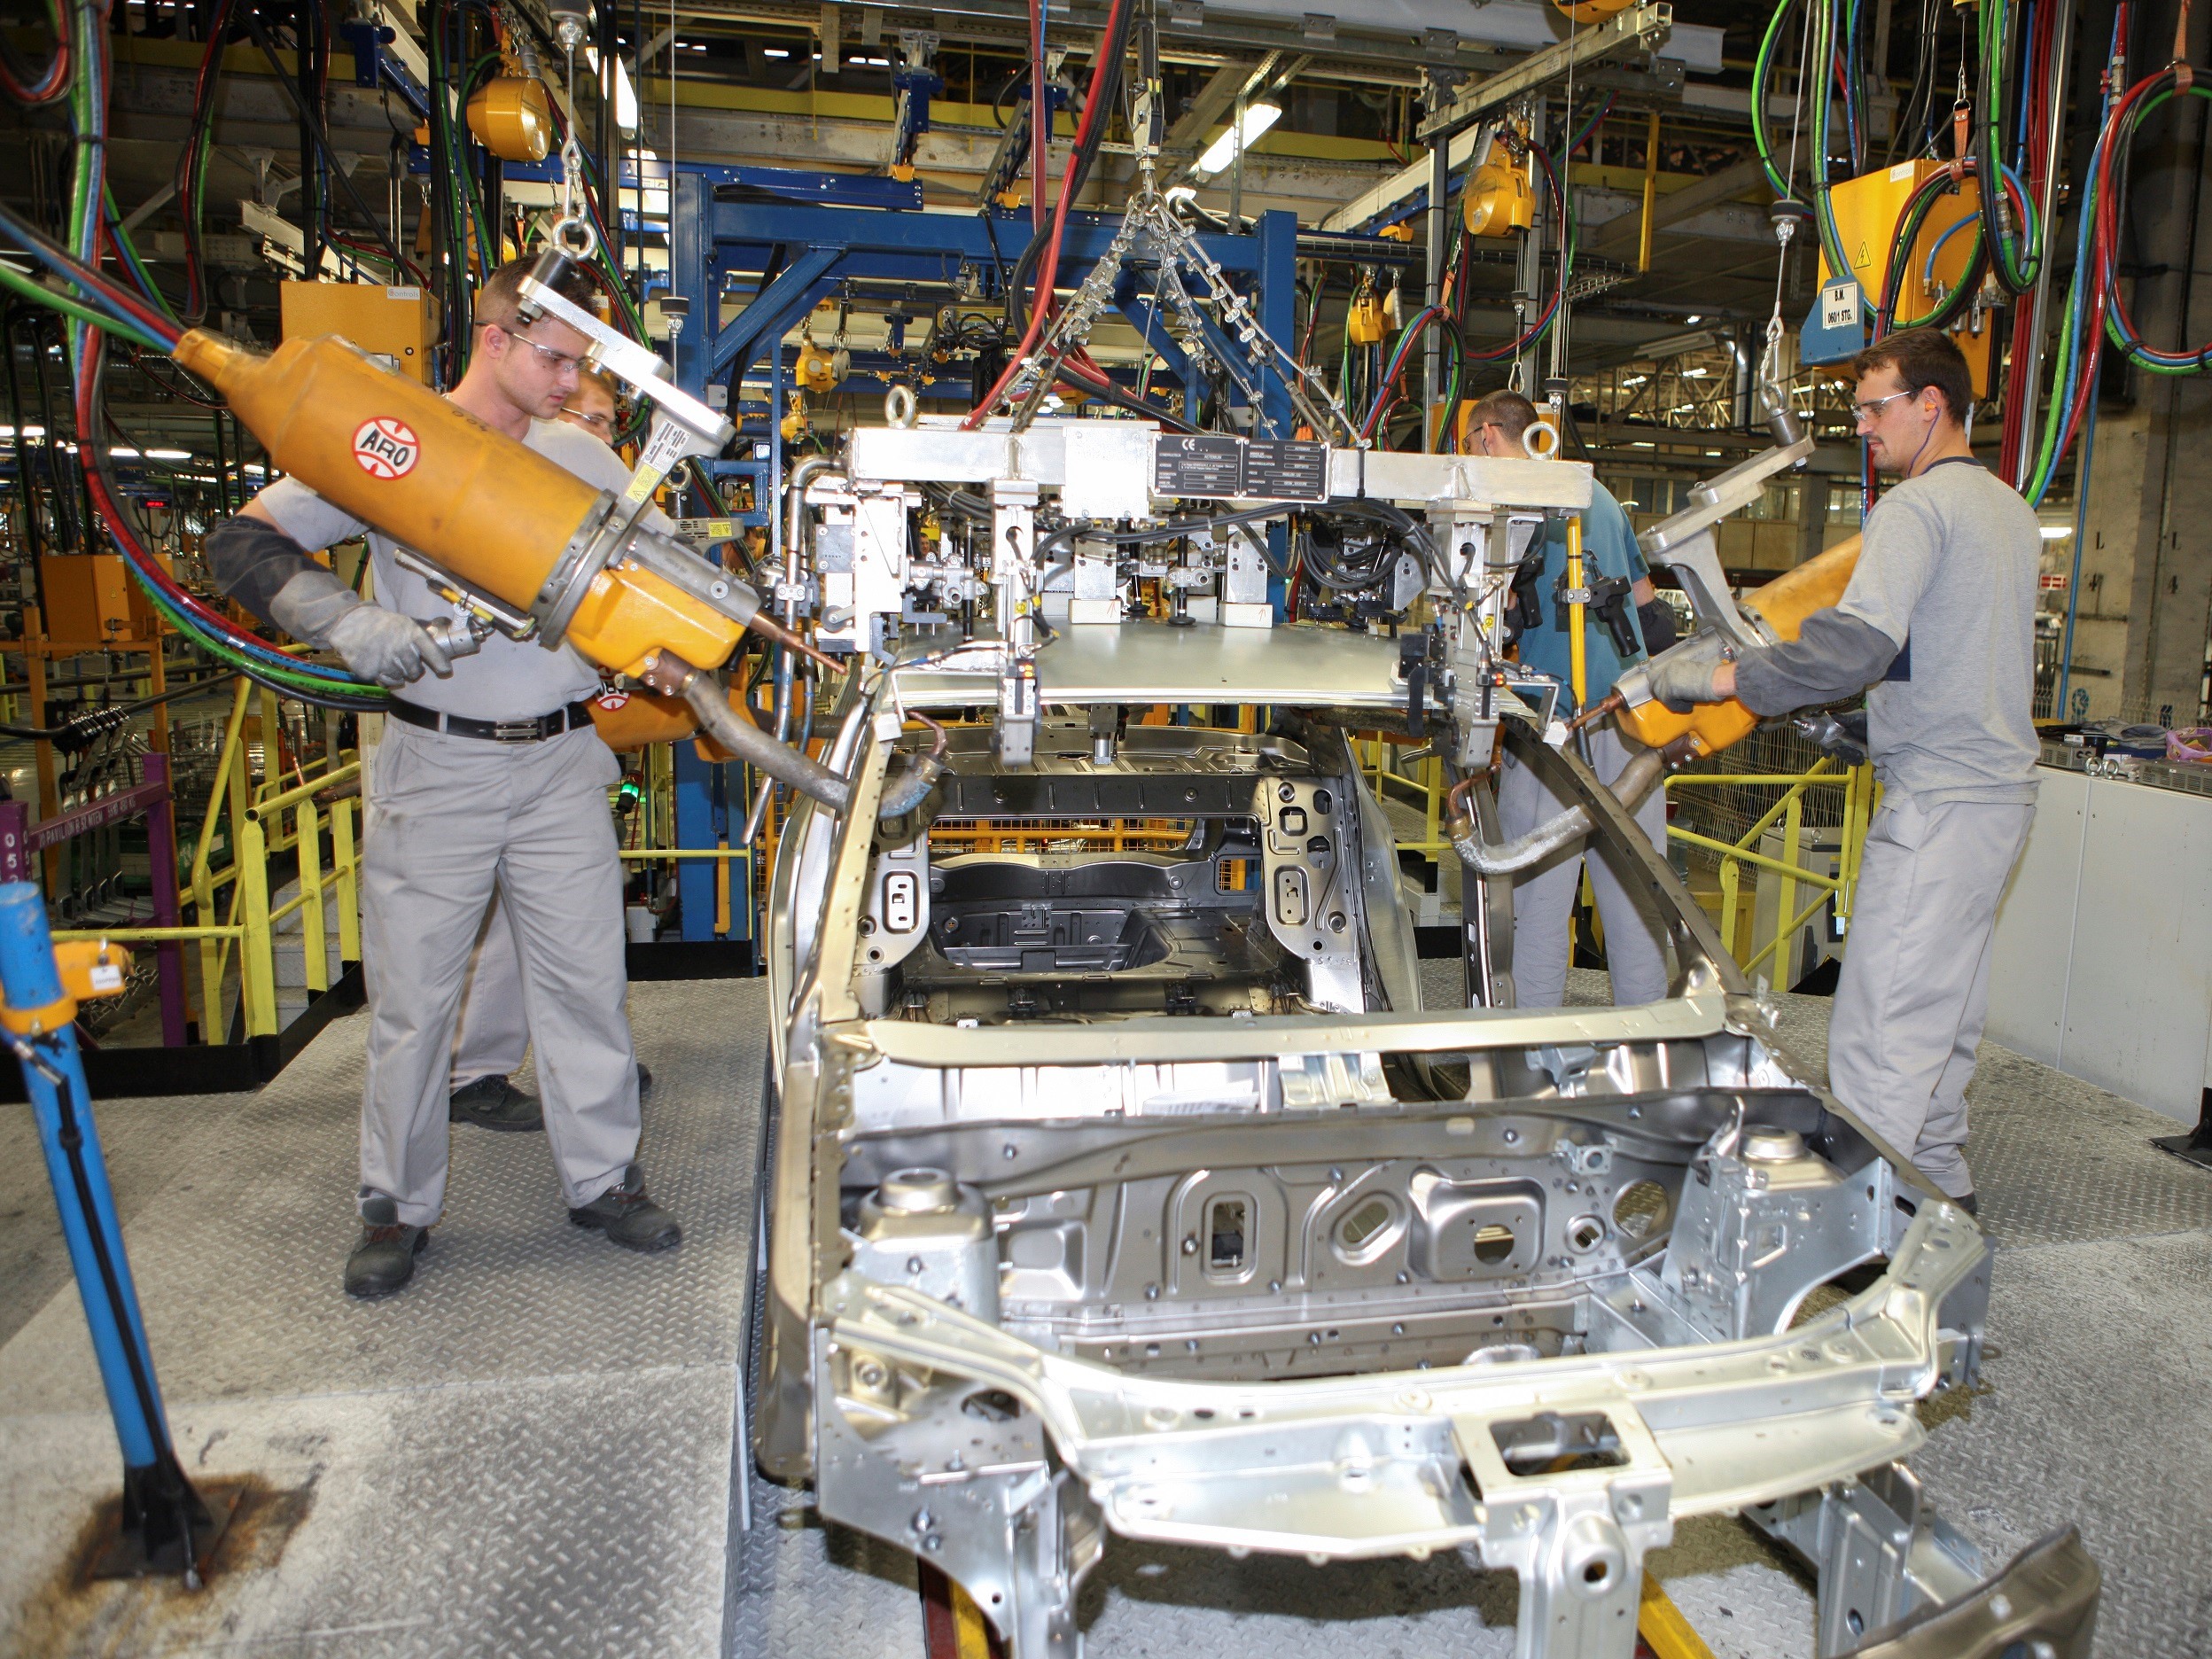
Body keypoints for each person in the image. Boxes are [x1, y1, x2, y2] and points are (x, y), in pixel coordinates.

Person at [208, 253, 682, 1299]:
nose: (571, 384)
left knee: (586, 986)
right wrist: (342, 620)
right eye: (556, 359)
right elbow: (239, 544)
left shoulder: (587, 463)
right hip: (437, 765)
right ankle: (395, 1206)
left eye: (584, 365)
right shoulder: (392, 444)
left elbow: (652, 583)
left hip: (563, 760)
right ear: (497, 339)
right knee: (416, 1002)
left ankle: (604, 1180)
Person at [1646, 328, 2039, 1213]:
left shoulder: (1914, 510)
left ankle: (1872, 1254)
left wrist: (1715, 680)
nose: (1864, 426)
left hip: (1940, 803)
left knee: (1881, 1034)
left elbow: (1851, 646)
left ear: (1929, 405)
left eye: (1875, 407)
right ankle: (1943, 1201)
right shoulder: (2007, 510)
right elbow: (1958, 658)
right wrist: (1869, 731)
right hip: (1998, 797)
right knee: (1941, 1024)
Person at [446, 364, 651, 1128]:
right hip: (462, 745)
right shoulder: (496, 492)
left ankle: (583, 1081)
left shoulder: (585, 494)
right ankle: (474, 1071)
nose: (595, 439)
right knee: (497, 929)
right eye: (586, 419)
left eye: (603, 424)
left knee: (573, 941)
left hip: (551, 744)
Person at [1464, 389, 1683, 1009]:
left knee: (1538, 902)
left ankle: (1531, 1052)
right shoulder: (1600, 496)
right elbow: (1647, 607)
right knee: (1637, 895)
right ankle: (1645, 1048)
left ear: (1487, 436)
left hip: (1555, 726)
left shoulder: (1512, 505)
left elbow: (1493, 614)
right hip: (1631, 719)